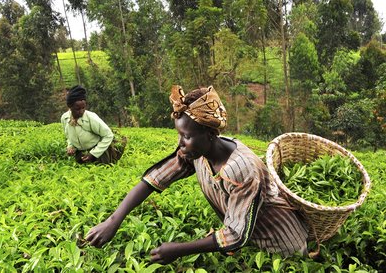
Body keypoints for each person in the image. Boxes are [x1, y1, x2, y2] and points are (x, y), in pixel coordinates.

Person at [85, 85, 308, 264]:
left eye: (186, 136)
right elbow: (157, 177)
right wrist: (114, 220)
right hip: (250, 242)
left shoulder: (242, 169)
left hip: (282, 246)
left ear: (210, 134)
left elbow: (235, 235)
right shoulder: (197, 153)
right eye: (179, 135)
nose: (180, 143)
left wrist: (178, 250)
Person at [61, 85, 125, 164]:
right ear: (70, 106)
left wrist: (93, 154)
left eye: (83, 108)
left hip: (99, 154)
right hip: (80, 155)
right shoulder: (65, 118)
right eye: (77, 109)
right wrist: (70, 146)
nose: (81, 111)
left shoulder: (91, 118)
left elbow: (108, 135)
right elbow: (69, 136)